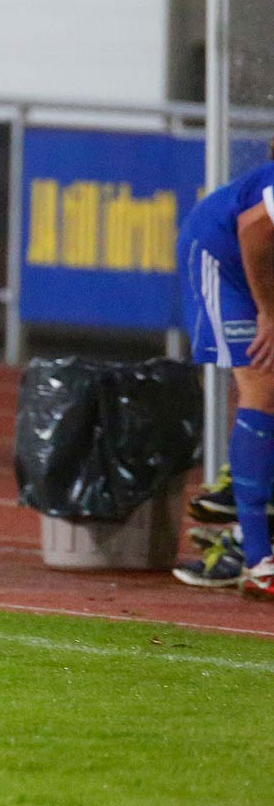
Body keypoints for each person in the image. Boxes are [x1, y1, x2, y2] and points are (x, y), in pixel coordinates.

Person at [171, 142, 274, 600]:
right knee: (264, 383)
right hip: (222, 252)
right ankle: (256, 558)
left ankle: (248, 503)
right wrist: (268, 312)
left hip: (258, 258)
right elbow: (254, 230)